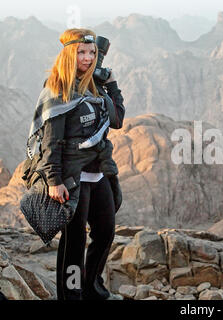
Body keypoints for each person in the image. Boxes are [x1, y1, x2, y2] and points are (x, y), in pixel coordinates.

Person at [26, 28, 125, 300]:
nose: (88, 57)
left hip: (97, 172)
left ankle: (92, 287)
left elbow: (117, 120)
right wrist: (54, 181)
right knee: (74, 241)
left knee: (105, 232)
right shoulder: (58, 89)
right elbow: (51, 142)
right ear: (70, 54)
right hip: (70, 178)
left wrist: (112, 84)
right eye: (82, 52)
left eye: (92, 53)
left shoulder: (94, 85)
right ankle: (71, 295)